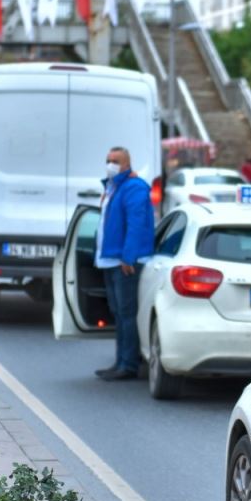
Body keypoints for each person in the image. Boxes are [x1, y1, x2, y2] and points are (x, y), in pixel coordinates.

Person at [94, 147, 155, 381]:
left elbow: (136, 224)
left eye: (116, 161)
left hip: (125, 261)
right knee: (119, 313)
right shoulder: (113, 186)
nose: (110, 164)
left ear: (127, 164)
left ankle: (128, 364)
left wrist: (128, 257)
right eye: (108, 160)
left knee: (127, 313)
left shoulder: (134, 187)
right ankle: (120, 361)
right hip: (110, 259)